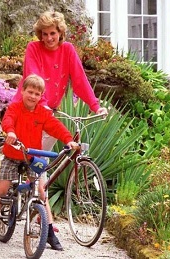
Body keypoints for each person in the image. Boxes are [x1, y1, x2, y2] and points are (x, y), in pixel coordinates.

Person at [11, 10, 109, 250]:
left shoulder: (68, 51)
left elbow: (79, 79)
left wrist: (95, 106)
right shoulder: (33, 49)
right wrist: (41, 105)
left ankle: (39, 212)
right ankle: (39, 215)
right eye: (44, 34)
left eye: (52, 33)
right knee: (37, 165)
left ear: (60, 32)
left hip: (48, 112)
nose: (48, 38)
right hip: (30, 109)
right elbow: (32, 77)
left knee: (44, 165)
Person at [0, 74, 78, 250]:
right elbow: (7, 120)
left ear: (41, 97)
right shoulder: (15, 108)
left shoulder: (43, 112)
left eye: (37, 94)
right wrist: (10, 132)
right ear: (23, 91)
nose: (32, 96)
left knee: (41, 192)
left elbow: (56, 126)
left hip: (32, 157)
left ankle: (49, 233)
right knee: (1, 190)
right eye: (30, 92)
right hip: (13, 154)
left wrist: (68, 139)